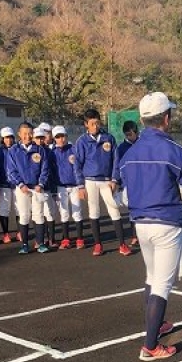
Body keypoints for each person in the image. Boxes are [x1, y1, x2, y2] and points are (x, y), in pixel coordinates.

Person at [119, 91, 182, 361]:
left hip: (141, 223)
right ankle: (150, 346)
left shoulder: (129, 153)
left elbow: (125, 196)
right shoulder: (175, 150)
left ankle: (157, 324)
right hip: (167, 222)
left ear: (143, 120)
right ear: (166, 118)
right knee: (162, 284)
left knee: (152, 277)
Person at [73, 107, 132, 257]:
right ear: (86, 124)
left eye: (97, 123)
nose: (95, 126)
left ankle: (122, 244)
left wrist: (114, 179)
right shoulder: (82, 141)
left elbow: (116, 160)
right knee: (94, 211)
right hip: (90, 181)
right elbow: (77, 164)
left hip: (106, 181)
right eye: (92, 124)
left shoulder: (109, 138)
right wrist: (80, 186)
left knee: (114, 209)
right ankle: (98, 244)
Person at [6, 121, 50, 254]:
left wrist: (41, 184)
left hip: (37, 188)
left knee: (39, 215)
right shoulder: (13, 151)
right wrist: (20, 184)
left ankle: (40, 243)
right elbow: (11, 171)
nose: (28, 136)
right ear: (19, 134)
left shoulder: (40, 150)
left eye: (30, 133)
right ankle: (24, 245)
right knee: (24, 215)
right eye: (25, 134)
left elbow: (45, 169)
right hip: (22, 189)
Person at [51, 125, 85, 249]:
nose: (61, 139)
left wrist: (81, 185)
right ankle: (65, 239)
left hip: (75, 186)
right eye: (58, 137)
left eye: (63, 136)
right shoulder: (52, 153)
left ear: (66, 136)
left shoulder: (74, 149)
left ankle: (80, 238)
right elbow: (52, 172)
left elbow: (80, 168)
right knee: (64, 213)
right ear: (54, 138)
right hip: (60, 187)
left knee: (77, 212)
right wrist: (54, 189)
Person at [114, 120, 140, 245]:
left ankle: (143, 234)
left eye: (134, 133)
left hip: (144, 182)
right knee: (133, 210)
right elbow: (118, 166)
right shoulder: (121, 148)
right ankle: (135, 235)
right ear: (125, 134)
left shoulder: (143, 144)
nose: (132, 136)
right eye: (129, 134)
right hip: (129, 184)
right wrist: (118, 182)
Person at [33, 125, 58, 248]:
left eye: (42, 138)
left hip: (47, 186)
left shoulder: (49, 152)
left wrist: (53, 189)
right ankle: (39, 239)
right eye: (37, 138)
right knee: (37, 214)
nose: (40, 140)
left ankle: (51, 239)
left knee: (50, 213)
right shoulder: (30, 151)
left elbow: (52, 170)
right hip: (34, 188)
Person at [0, 126, 18, 243]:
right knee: (5, 210)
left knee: (19, 209)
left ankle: (20, 232)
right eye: (6, 138)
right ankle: (5, 234)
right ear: (2, 139)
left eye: (10, 137)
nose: (8, 140)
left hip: (17, 184)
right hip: (4, 185)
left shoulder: (18, 150)